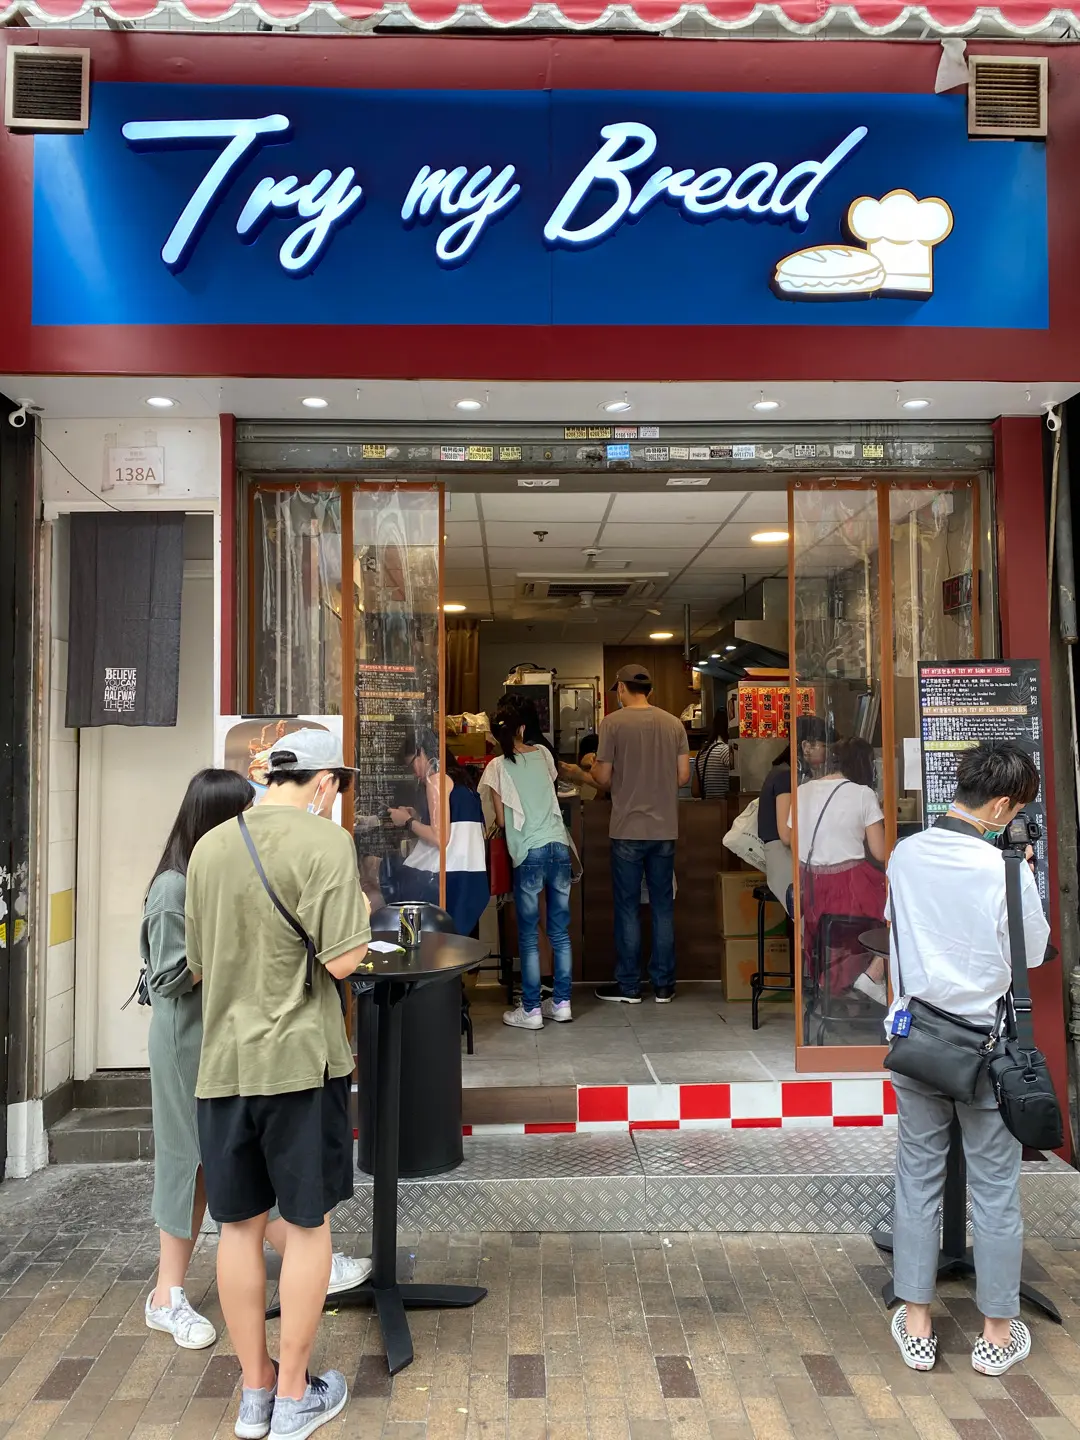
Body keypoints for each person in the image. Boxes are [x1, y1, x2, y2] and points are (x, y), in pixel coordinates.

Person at [142, 769, 371, 1358]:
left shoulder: (217, 862)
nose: (254, 819)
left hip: (229, 1042)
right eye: (243, 809)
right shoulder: (176, 883)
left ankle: (266, 1348)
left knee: (234, 1186)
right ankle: (169, 1294)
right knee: (190, 1163)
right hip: (195, 1042)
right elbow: (172, 973)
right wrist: (239, 947)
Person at [186, 729, 372, 1440]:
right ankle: (294, 1396)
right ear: (324, 783)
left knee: (237, 1227)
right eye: (337, 787)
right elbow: (346, 960)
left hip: (224, 1064)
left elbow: (199, 963)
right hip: (299, 1063)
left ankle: (255, 1393)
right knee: (308, 1225)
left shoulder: (210, 847)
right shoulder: (327, 843)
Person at [886, 740, 1048, 1378]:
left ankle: (917, 1325)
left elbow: (899, 931)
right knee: (996, 1190)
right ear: (1002, 805)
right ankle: (997, 1334)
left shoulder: (905, 854)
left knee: (917, 1181)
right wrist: (1021, 871)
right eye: (1018, 811)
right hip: (987, 1050)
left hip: (919, 1044)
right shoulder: (1005, 869)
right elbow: (1030, 953)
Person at [590, 664, 690, 1004]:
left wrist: (596, 769)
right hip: (665, 828)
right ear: (649, 690)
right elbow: (683, 776)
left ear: (621, 688)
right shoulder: (673, 723)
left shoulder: (612, 723)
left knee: (628, 907)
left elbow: (603, 778)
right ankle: (664, 985)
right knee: (662, 906)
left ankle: (629, 986)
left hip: (627, 829)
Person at [481, 696, 574, 1029]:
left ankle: (532, 1009)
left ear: (495, 735)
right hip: (558, 846)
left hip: (529, 852)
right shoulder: (544, 754)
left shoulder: (496, 767)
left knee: (530, 934)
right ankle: (561, 1003)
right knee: (559, 931)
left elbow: (502, 821)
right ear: (522, 728)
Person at [794, 736, 889, 1005]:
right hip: (850, 887)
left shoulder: (801, 791)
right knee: (902, 909)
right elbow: (881, 852)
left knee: (834, 935)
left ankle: (838, 987)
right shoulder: (863, 794)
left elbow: (791, 838)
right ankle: (873, 974)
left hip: (811, 887)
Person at [389, 728, 490, 938]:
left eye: (412, 764)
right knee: (458, 945)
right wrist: (418, 817)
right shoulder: (461, 780)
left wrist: (407, 821)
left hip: (448, 876)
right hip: (471, 873)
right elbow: (454, 823)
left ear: (421, 752)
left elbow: (439, 837)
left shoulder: (435, 780)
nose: (414, 772)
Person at [693, 710, 731, 799]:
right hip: (724, 804)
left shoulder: (700, 754)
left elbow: (695, 791)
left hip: (707, 805)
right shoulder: (724, 751)